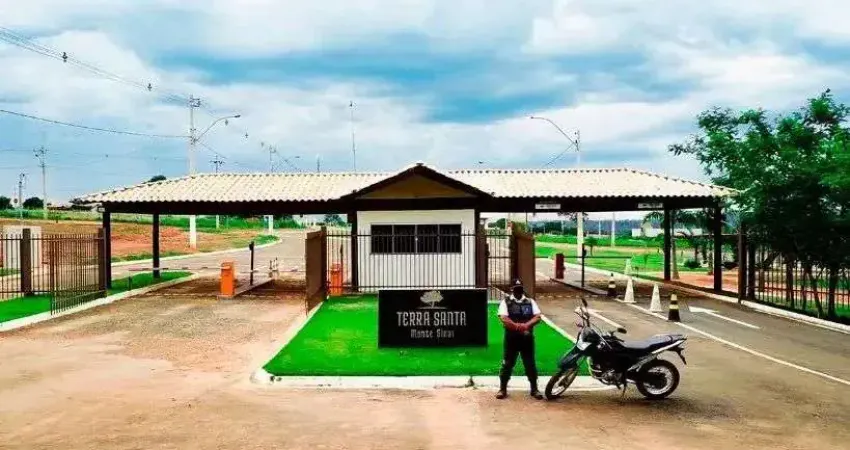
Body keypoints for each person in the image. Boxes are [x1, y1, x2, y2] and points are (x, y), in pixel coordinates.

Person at [496, 279, 543, 400]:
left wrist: (526, 326)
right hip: (511, 338)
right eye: (516, 288)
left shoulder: (530, 301)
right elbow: (504, 318)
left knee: (530, 364)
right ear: (512, 289)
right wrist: (518, 327)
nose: (518, 291)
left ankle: (534, 389)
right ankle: (502, 389)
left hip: (527, 339)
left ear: (522, 289)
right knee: (507, 363)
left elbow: (538, 317)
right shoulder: (506, 302)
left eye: (520, 288)